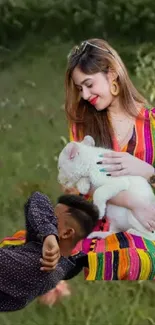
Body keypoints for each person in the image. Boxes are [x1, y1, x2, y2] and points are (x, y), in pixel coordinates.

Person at [62, 38, 155, 280]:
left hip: (150, 219)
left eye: (89, 84)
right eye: (79, 88)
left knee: (138, 256)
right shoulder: (84, 125)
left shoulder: (152, 123)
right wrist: (134, 204)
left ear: (112, 74)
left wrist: (146, 170)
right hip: (101, 219)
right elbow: (82, 183)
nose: (84, 95)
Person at [0, 191, 99, 312]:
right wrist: (50, 234)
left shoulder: (38, 265)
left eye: (54, 218)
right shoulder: (54, 250)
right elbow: (37, 198)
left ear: (67, 233)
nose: (48, 219)